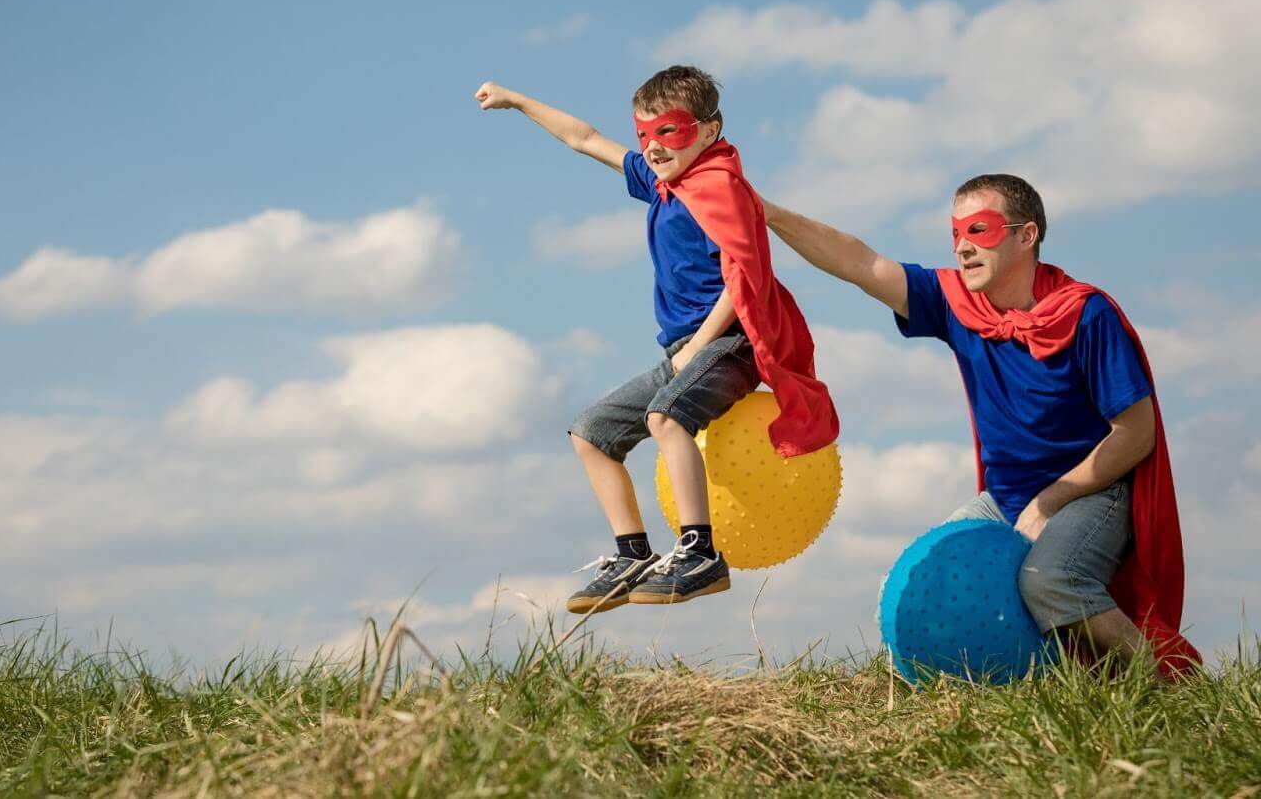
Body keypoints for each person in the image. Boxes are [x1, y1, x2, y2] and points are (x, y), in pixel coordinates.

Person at [763, 174, 1199, 675]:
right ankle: (959, 692)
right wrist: (769, 214)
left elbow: (1135, 432)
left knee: (1048, 580)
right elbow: (860, 262)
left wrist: (1052, 499)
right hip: (1006, 498)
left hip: (1094, 495)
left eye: (981, 230)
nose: (964, 247)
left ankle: (1171, 686)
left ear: (1026, 235)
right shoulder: (960, 305)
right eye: (956, 235)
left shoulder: (1084, 314)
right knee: (915, 582)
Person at [476, 66, 838, 612]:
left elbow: (744, 274)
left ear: (709, 132)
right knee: (592, 433)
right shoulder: (664, 184)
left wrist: (702, 343)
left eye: (668, 132)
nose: (652, 147)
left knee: (666, 417)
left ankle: (699, 554)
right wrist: (516, 99)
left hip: (732, 342)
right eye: (645, 135)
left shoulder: (719, 186)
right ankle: (631, 556)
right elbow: (585, 138)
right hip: (685, 350)